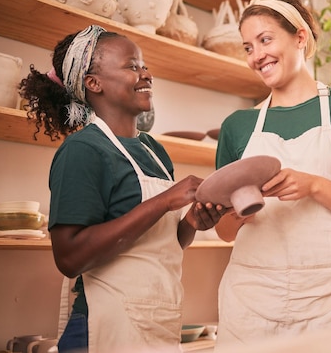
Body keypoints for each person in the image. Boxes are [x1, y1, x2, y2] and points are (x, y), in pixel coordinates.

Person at [19, 24, 225, 353]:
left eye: (144, 65)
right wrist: (164, 202)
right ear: (93, 83)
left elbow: (161, 246)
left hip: (159, 325)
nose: (146, 74)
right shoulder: (83, 150)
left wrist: (191, 224)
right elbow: (69, 257)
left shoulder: (154, 151)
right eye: (132, 66)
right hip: (105, 328)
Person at [213, 0, 331, 350]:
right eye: (248, 47)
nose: (256, 56)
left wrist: (313, 185)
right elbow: (224, 231)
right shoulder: (237, 126)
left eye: (266, 40)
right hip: (252, 299)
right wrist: (233, 215)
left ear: (300, 37)